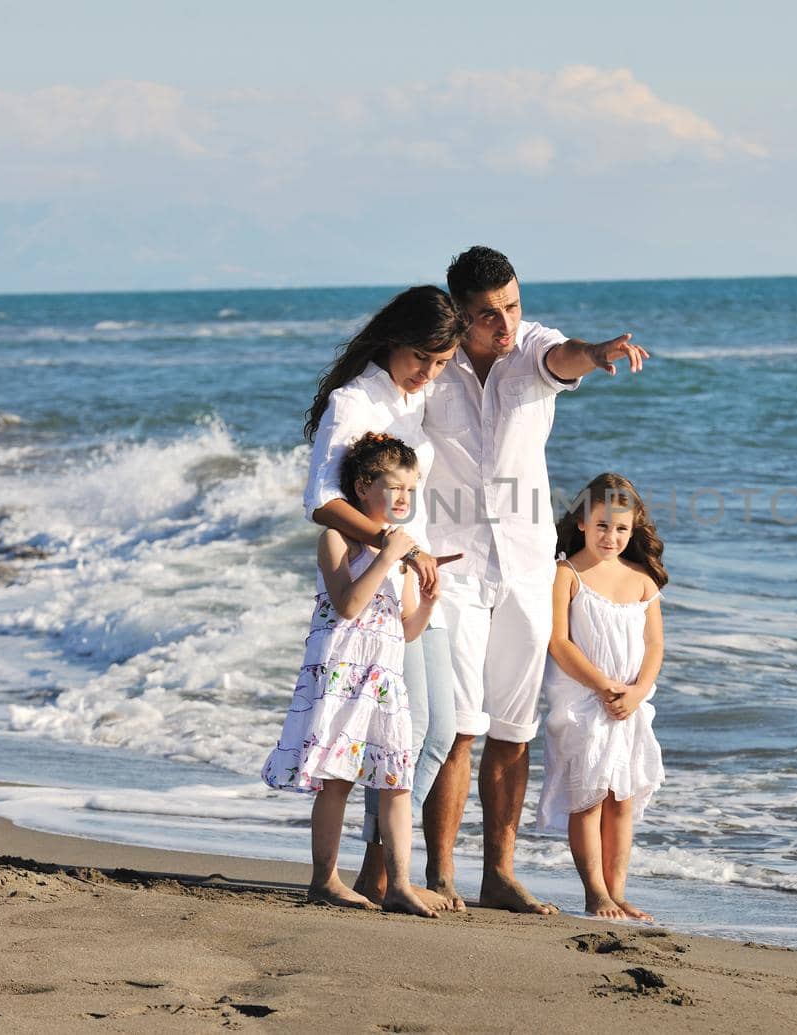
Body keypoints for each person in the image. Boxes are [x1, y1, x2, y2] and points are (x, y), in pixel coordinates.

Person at [420, 246, 650, 914]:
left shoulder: (532, 351)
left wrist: (598, 351)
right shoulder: (436, 366)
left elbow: (564, 355)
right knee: (459, 726)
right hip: (454, 566)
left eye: (513, 306)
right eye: (488, 314)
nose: (505, 324)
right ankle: (439, 874)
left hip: (523, 566)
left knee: (514, 731)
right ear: (458, 315)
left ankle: (499, 873)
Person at [302, 286, 467, 910]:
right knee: (412, 733)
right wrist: (398, 546)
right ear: (394, 339)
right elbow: (322, 501)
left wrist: (420, 557)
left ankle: (384, 871)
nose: (429, 372)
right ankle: (381, 874)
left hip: (412, 578)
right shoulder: (353, 401)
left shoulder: (413, 398)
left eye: (442, 361)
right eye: (423, 356)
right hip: (377, 578)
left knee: (438, 729)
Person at [261, 432, 441, 918]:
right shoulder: (336, 538)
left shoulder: (404, 555)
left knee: (395, 780)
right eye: (395, 488)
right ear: (363, 487)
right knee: (336, 778)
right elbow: (347, 604)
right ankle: (324, 879)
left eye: (411, 490)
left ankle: (401, 882)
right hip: (343, 672)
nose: (404, 499)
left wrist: (426, 601)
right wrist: (388, 554)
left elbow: (406, 632)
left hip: (383, 677)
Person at [537, 473, 667, 920]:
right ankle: (595, 892)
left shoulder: (642, 580)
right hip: (583, 701)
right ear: (581, 523)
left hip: (629, 706)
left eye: (621, 529)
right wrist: (604, 686)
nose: (610, 537)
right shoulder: (566, 573)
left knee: (622, 799)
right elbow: (560, 643)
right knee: (589, 796)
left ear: (634, 530)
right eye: (601, 526)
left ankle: (618, 890)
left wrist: (637, 691)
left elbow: (655, 647)